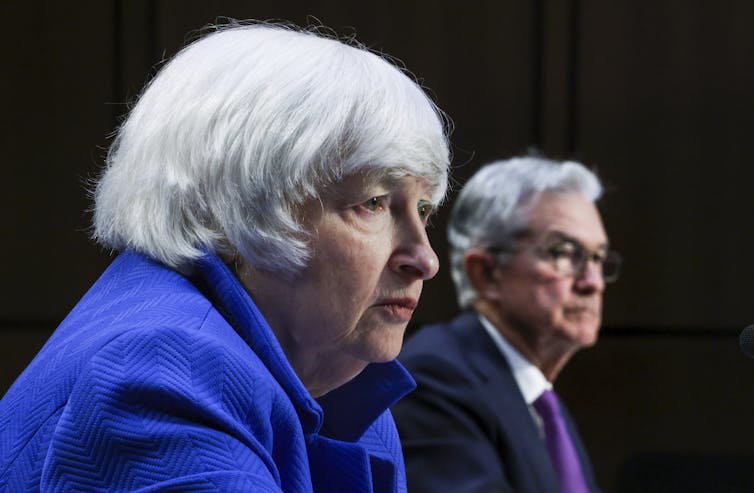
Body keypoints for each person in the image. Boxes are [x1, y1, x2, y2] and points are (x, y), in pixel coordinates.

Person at [0, 21, 450, 492]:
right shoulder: (164, 372)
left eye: (422, 209)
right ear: (239, 211)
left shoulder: (341, 373)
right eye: (373, 203)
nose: (425, 259)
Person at [392, 157, 620, 493]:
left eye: (598, 258)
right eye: (564, 253)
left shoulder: (541, 401)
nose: (593, 282)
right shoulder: (436, 379)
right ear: (485, 273)